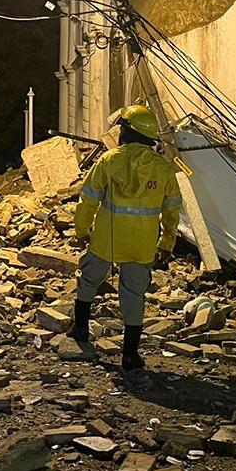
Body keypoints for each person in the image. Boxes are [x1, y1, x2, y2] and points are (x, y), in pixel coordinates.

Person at [71, 104, 182, 371]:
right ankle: (130, 355)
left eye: (122, 127)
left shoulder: (110, 160)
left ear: (129, 132)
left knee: (89, 279)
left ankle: (81, 329)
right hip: (141, 244)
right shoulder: (163, 168)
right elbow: (172, 209)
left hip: (107, 239)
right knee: (134, 295)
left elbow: (88, 200)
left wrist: (81, 230)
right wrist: (166, 243)